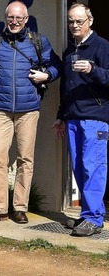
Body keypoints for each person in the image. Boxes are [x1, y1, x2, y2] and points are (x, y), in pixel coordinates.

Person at [0, 1, 61, 224]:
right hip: (1, 110)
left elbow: (57, 65)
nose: (15, 21)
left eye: (19, 18)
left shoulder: (38, 41)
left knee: (25, 160)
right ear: (5, 18)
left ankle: (20, 207)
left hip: (28, 111)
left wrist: (46, 75)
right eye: (11, 17)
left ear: (26, 19)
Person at [54, 3, 109, 237]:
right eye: (70, 21)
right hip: (73, 118)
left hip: (95, 118)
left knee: (93, 167)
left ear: (90, 21)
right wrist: (61, 115)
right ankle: (86, 215)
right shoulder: (69, 51)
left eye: (79, 21)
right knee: (79, 169)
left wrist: (93, 69)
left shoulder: (102, 46)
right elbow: (66, 87)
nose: (74, 25)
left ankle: (95, 219)